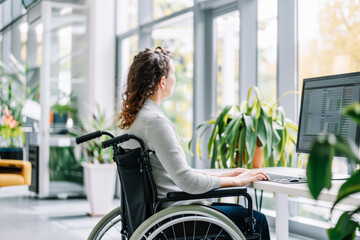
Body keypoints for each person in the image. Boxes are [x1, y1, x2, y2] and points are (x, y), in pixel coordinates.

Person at [118, 46, 271, 239]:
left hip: (154, 215)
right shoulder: (156, 123)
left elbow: (173, 173)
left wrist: (223, 175)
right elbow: (188, 182)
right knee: (258, 220)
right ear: (162, 81)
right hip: (176, 217)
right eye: (173, 74)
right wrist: (235, 180)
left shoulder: (133, 122)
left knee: (235, 210)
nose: (175, 78)